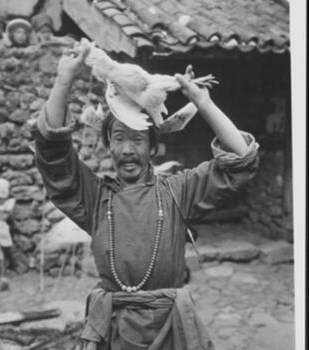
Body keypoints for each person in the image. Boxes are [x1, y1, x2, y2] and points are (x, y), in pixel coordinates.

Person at [32, 43, 259, 349]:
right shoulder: (96, 198)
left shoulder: (178, 192)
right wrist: (63, 79)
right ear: (108, 145)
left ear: (153, 147)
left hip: (170, 330)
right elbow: (53, 154)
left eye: (138, 139)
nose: (127, 150)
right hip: (111, 333)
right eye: (119, 138)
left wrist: (203, 103)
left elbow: (241, 160)